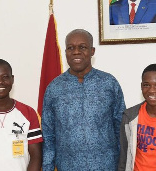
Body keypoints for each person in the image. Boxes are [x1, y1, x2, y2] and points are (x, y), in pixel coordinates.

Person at [41, 29, 126, 171]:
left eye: (82, 47)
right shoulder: (54, 88)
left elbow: (121, 129)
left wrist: (123, 166)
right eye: (70, 48)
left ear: (92, 51)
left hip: (106, 165)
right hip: (68, 166)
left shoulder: (109, 83)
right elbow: (49, 135)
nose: (76, 52)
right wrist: (47, 167)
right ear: (66, 52)